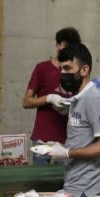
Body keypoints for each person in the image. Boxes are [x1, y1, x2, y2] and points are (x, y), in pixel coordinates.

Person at [43, 43, 100, 197]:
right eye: (61, 69)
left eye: (68, 68)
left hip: (88, 188)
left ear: (84, 70)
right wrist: (62, 148)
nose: (63, 73)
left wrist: (68, 153)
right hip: (75, 183)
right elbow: (82, 136)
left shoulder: (93, 98)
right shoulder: (78, 97)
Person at [23, 27, 81, 165]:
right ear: (57, 46)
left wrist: (72, 106)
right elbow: (26, 102)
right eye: (66, 47)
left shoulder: (76, 72)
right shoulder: (42, 68)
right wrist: (48, 98)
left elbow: (81, 102)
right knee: (40, 182)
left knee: (64, 182)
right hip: (42, 139)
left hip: (67, 141)